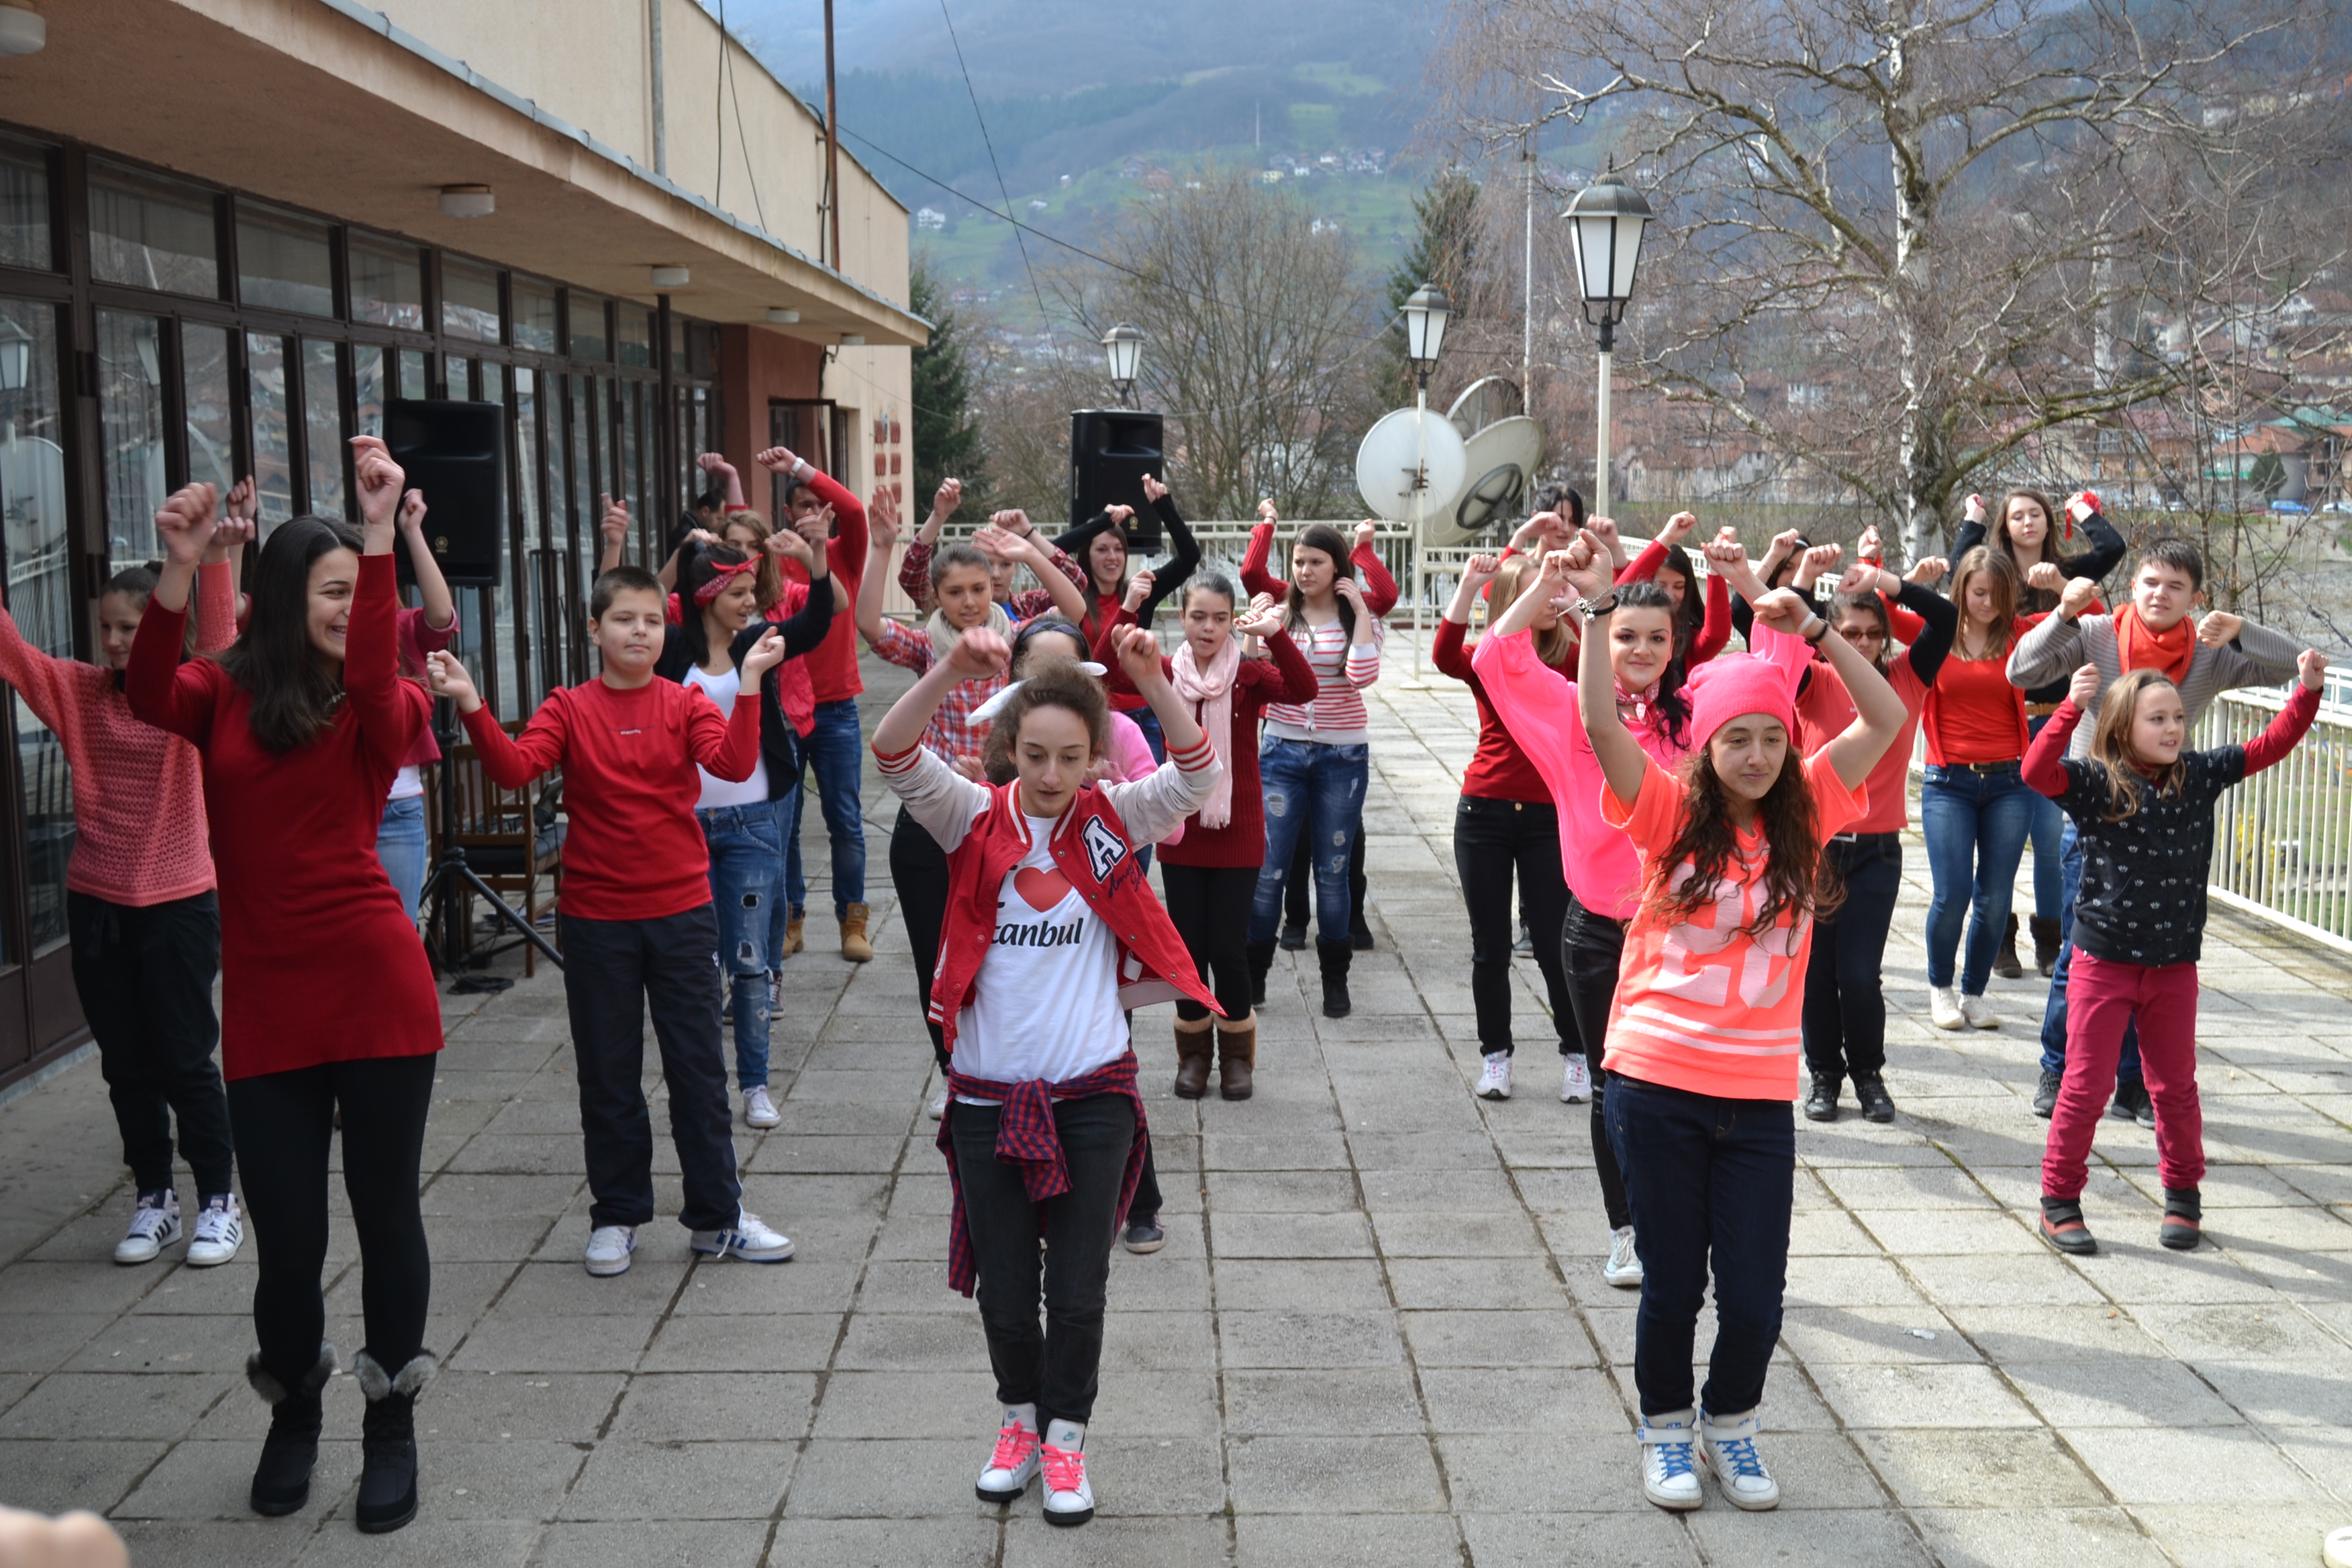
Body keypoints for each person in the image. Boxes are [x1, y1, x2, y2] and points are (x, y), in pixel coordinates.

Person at [129, 448, 446, 1534]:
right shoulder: (220, 692)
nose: (347, 607)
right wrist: (178, 568)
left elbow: (369, 669)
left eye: (352, 594)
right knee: (289, 1241)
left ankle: (392, 1425)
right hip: (268, 1006)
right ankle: (295, 1413)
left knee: (386, 1210)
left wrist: (372, 538)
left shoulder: (383, 701)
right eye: (325, 590)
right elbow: (142, 688)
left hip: (377, 991)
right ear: (273, 603)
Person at [1561, 529, 1907, 1514]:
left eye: (1769, 736)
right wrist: (1593, 615)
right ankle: (1665, 1428)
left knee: (1756, 1293)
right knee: (1674, 1281)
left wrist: (1819, 632)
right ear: (1708, 749)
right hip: (1657, 1079)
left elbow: (1881, 720)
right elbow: (1599, 728)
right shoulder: (1666, 815)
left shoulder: (1811, 808)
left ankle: (1734, 1424)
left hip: (1757, 1096)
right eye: (1736, 739)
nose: (1756, 754)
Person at [870, 621, 1220, 1529]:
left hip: (1092, 1094)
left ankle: (1067, 1437)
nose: (1054, 776)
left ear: (1096, 757)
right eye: (1035, 756)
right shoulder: (972, 817)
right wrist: (949, 665)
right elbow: (894, 750)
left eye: (1072, 758)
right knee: (1003, 1288)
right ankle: (1016, 1421)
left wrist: (1153, 675)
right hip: (988, 1097)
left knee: (1076, 1288)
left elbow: (1194, 776)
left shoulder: (1113, 820)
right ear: (1008, 751)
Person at [427, 566, 799, 1281]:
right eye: (624, 619)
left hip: (684, 914)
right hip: (598, 919)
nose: (640, 631)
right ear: (594, 631)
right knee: (608, 1074)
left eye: (652, 621)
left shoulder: (684, 701)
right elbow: (513, 769)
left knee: (697, 1071)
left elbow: (735, 759)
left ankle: (718, 1217)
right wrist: (473, 702)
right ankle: (617, 1215)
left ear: (666, 632)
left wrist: (750, 685)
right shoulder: (568, 707)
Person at [2026, 651, 2323, 1254]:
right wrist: (2069, 707)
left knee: (2174, 1088)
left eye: (2177, 719)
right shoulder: (2094, 781)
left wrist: (2309, 691)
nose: (2171, 730)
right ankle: (2059, 1201)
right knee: (2085, 1086)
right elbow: (2036, 771)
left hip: (2172, 967)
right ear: (2121, 727)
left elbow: (2271, 745)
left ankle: (2184, 1197)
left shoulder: (2199, 775)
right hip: (2102, 963)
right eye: (2155, 719)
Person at [2, 516, 241, 1267]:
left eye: (130, 628)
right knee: (125, 1063)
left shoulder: (189, 696)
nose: (113, 642)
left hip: (179, 906)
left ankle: (220, 1200)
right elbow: (14, 654)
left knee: (184, 1058)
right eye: (106, 628)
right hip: (99, 905)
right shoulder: (79, 694)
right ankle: (153, 1198)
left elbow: (221, 644)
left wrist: (212, 561)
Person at [2006, 538, 2303, 1120]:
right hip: (2094, 814)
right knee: (2080, 954)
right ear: (2133, 585)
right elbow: (2021, 670)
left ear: (2196, 597)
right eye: (2149, 582)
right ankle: (2056, 1067)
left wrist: (2242, 629)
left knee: (2154, 961)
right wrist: (2065, 612)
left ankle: (2134, 1085)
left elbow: (2298, 665)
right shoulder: (2097, 634)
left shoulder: (2209, 653)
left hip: (2166, 821)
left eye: (2175, 586)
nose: (2159, 595)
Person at [858, 493, 1090, 1089]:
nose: (968, 602)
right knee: (935, 958)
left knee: (993, 954)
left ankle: (1000, 1060)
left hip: (1000, 819)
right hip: (933, 819)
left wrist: (1027, 550)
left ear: (993, 590)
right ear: (936, 596)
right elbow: (866, 625)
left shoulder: (1015, 640)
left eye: (979, 589)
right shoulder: (928, 647)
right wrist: (881, 547)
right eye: (955, 592)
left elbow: (1074, 609)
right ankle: (952, 1072)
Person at [1100, 574, 1313, 1100]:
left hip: (1238, 832)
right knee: (1187, 950)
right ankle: (1193, 1056)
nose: (1210, 627)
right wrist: (1129, 609)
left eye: (1221, 618)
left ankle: (1236, 1057)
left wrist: (1275, 633)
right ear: (1182, 619)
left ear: (1232, 622)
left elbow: (1305, 688)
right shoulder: (1165, 671)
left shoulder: (1249, 674)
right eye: (1199, 616)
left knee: (1229, 949)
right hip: (1182, 833)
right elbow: (1107, 672)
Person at [653, 530, 840, 1129]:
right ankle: (706, 1085)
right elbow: (624, 605)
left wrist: (816, 559)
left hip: (753, 822)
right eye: (737, 593)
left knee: (750, 960)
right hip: (684, 826)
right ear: (707, 597)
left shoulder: (761, 642)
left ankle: (756, 1086)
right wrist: (660, 550)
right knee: (698, 964)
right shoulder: (671, 649)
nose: (751, 603)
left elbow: (816, 620)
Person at [1790, 559, 1957, 1122]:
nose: (1862, 643)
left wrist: (1887, 584)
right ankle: (1823, 1076)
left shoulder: (1907, 677)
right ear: (1828, 635)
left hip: (1878, 851)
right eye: (1849, 633)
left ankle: (1868, 1075)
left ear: (1886, 638)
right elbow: (1763, 626)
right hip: (1816, 848)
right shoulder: (1814, 681)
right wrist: (1804, 587)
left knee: (1859, 975)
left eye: (1872, 633)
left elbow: (1946, 616)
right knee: (1816, 972)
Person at [1955, 488, 2129, 977]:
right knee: (2003, 839)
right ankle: (2001, 936)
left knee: (2051, 835)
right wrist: (1972, 519)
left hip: (2059, 718)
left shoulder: (2069, 574)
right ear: (2004, 527)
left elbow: (2112, 550)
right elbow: (1958, 571)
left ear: (2049, 523)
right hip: (2008, 717)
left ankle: (2049, 936)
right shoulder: (1993, 574)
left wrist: (2081, 511)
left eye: (2037, 514)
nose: (2028, 523)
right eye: (2017, 516)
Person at [1435, 554, 1583, 1103]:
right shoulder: (1490, 660)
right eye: (1536, 592)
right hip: (1484, 813)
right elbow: (1444, 654)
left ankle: (1577, 1055)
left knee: (1553, 944)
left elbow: (1612, 667)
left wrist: (1577, 610)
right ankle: (1496, 1059)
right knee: (1489, 948)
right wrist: (1469, 588)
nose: (1549, 597)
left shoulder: (1571, 661)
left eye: (1553, 588)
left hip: (1549, 818)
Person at [1243, 506, 1399, 952]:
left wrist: (1360, 611)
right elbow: (1255, 675)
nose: (1305, 571)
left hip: (1342, 754)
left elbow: (1361, 677)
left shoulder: (1357, 617)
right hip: (1282, 749)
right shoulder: (1281, 613)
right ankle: (1256, 972)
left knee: (1333, 870)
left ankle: (1336, 975)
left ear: (1337, 566)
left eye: (1316, 562)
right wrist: (1257, 631)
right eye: (1299, 562)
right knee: (1270, 867)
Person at [1914, 547, 2053, 1032]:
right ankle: (1940, 987)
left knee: (1995, 896)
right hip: (1947, 781)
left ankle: (1973, 993)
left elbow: (2091, 616)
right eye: (1978, 593)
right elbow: (1883, 611)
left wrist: (2057, 583)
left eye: (1997, 595)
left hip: (2010, 783)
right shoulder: (1937, 631)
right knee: (1951, 893)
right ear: (1962, 590)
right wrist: (1914, 577)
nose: (1986, 603)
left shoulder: (2020, 634)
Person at [755, 443, 875, 963]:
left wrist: (801, 469)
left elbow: (853, 510)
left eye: (816, 504)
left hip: (838, 707)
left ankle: (853, 920)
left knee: (845, 819)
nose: (811, 513)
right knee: (785, 818)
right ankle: (791, 918)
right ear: (787, 513)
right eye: (801, 504)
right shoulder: (774, 559)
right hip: (783, 710)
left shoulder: (845, 551)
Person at [1060, 475, 1203, 757]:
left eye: (1118, 549)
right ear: (1087, 556)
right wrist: (1101, 523)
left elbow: (1190, 556)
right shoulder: (1072, 597)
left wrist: (1163, 505)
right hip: (1094, 715)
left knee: (1149, 795)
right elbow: (1050, 552)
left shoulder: (1140, 590)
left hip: (1144, 713)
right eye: (1102, 549)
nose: (1112, 557)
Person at [377, 485, 460, 920]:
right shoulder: (314, 637)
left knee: (399, 931)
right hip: (337, 807)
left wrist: (411, 531)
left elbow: (441, 615)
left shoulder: (401, 626)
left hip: (398, 806)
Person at [897, 481, 1090, 619]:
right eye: (988, 564)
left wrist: (1029, 534)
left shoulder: (1031, 605)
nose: (996, 574)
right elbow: (911, 577)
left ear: (1015, 568)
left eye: (1006, 564)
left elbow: (1076, 584)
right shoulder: (955, 608)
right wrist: (938, 517)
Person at [1618, 510, 1732, 667]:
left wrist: (1716, 570)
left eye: (1679, 586)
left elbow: (1717, 635)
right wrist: (1666, 538)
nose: (1669, 595)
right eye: (1660, 586)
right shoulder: (1619, 631)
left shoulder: (1690, 644)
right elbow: (1617, 599)